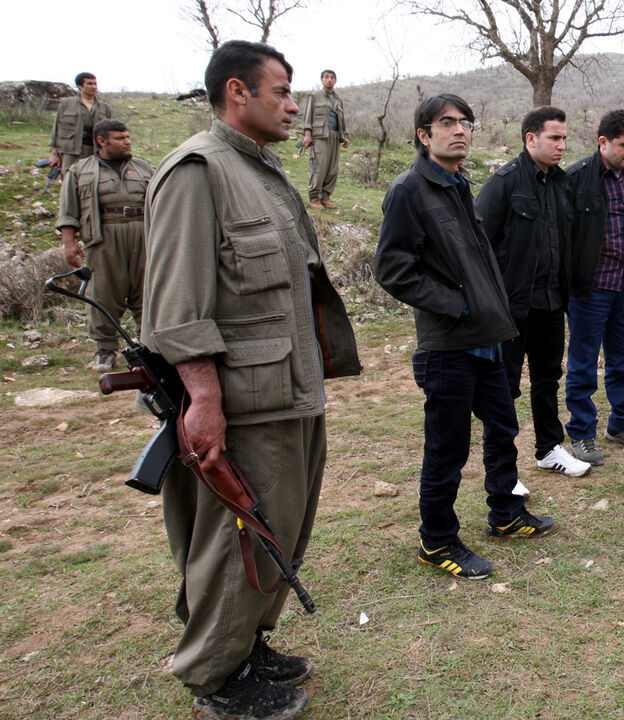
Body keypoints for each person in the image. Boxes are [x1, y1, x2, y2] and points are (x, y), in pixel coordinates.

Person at [143, 40, 361, 720]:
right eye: (282, 91)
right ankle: (214, 674)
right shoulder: (196, 172)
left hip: (288, 391)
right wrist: (202, 397)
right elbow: (177, 307)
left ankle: (247, 644)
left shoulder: (263, 174)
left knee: (279, 531)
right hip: (241, 403)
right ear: (238, 93)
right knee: (233, 538)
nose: (295, 105)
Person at [377, 93, 555, 582]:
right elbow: (392, 269)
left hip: (487, 340)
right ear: (423, 134)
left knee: (503, 430)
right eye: (447, 123)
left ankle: (504, 513)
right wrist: (457, 304)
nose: (460, 130)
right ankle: (436, 540)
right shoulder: (410, 190)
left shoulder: (457, 184)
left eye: (465, 122)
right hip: (448, 346)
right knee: (448, 448)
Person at [474, 106, 589, 478]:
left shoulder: (561, 183)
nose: (561, 146)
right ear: (531, 139)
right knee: (503, 386)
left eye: (564, 139)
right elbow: (479, 246)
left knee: (547, 378)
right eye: (554, 138)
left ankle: (549, 449)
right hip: (511, 306)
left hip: (552, 302)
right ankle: (504, 468)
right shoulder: (504, 183)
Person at [562, 110, 624, 462]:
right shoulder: (575, 179)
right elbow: (564, 236)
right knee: (584, 363)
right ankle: (582, 432)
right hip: (591, 288)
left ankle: (621, 424)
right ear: (603, 143)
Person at [56, 119, 152, 372]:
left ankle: (150, 345)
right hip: (103, 239)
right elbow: (68, 212)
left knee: (148, 292)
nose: (127, 141)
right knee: (103, 295)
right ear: (102, 141)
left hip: (144, 236)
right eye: (120, 138)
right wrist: (69, 243)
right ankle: (105, 350)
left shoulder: (143, 167)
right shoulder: (80, 171)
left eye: (127, 137)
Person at [300, 69, 349, 210]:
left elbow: (342, 119)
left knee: (333, 169)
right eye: (327, 77)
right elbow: (308, 116)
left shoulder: (338, 99)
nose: (329, 80)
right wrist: (307, 134)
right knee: (319, 166)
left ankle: (325, 197)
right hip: (320, 136)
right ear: (322, 79)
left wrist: (345, 136)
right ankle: (314, 198)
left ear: (335, 81)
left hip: (335, 136)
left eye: (332, 77)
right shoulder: (315, 96)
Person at [50, 72, 113, 174]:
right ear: (80, 86)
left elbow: (110, 132)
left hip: (95, 150)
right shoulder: (66, 104)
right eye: (89, 84)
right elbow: (56, 128)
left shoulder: (104, 107)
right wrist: (54, 153)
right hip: (71, 150)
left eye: (95, 84)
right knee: (68, 176)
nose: (93, 87)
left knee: (92, 177)